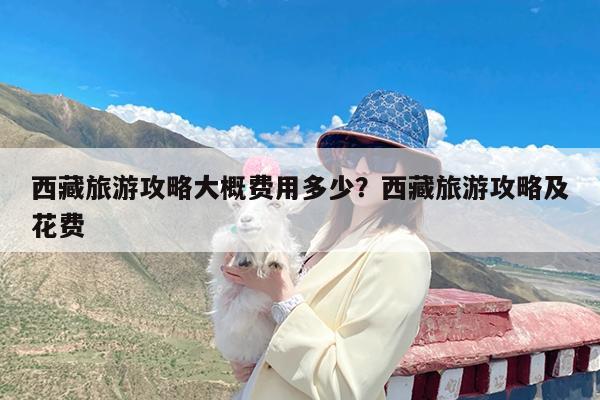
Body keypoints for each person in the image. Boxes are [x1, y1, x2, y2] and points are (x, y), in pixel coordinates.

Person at [222, 89, 442, 400]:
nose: (361, 168)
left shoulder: (403, 253)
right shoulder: (329, 235)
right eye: (352, 153)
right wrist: (256, 357)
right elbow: (301, 325)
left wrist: (281, 291)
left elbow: (347, 385)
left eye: (382, 157)